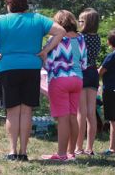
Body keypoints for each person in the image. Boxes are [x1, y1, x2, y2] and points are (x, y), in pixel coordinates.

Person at [0, 0, 65, 161]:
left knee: (12, 112)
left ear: (9, 4)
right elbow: (60, 31)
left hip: (7, 69)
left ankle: (11, 151)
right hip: (31, 69)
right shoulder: (37, 19)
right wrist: (45, 50)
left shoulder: (2, 21)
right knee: (26, 112)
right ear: (26, 3)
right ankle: (23, 152)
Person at [41, 10, 87, 162]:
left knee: (62, 119)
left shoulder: (55, 39)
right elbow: (84, 63)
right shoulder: (81, 38)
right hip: (78, 80)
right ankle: (71, 153)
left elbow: (49, 62)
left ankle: (61, 155)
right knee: (73, 116)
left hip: (59, 80)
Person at [75, 8, 101, 156]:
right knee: (92, 112)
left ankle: (78, 147)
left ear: (86, 23)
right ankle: (89, 148)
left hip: (81, 72)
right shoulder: (97, 37)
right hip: (93, 73)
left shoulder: (80, 37)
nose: (79, 22)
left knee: (81, 112)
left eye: (81, 20)